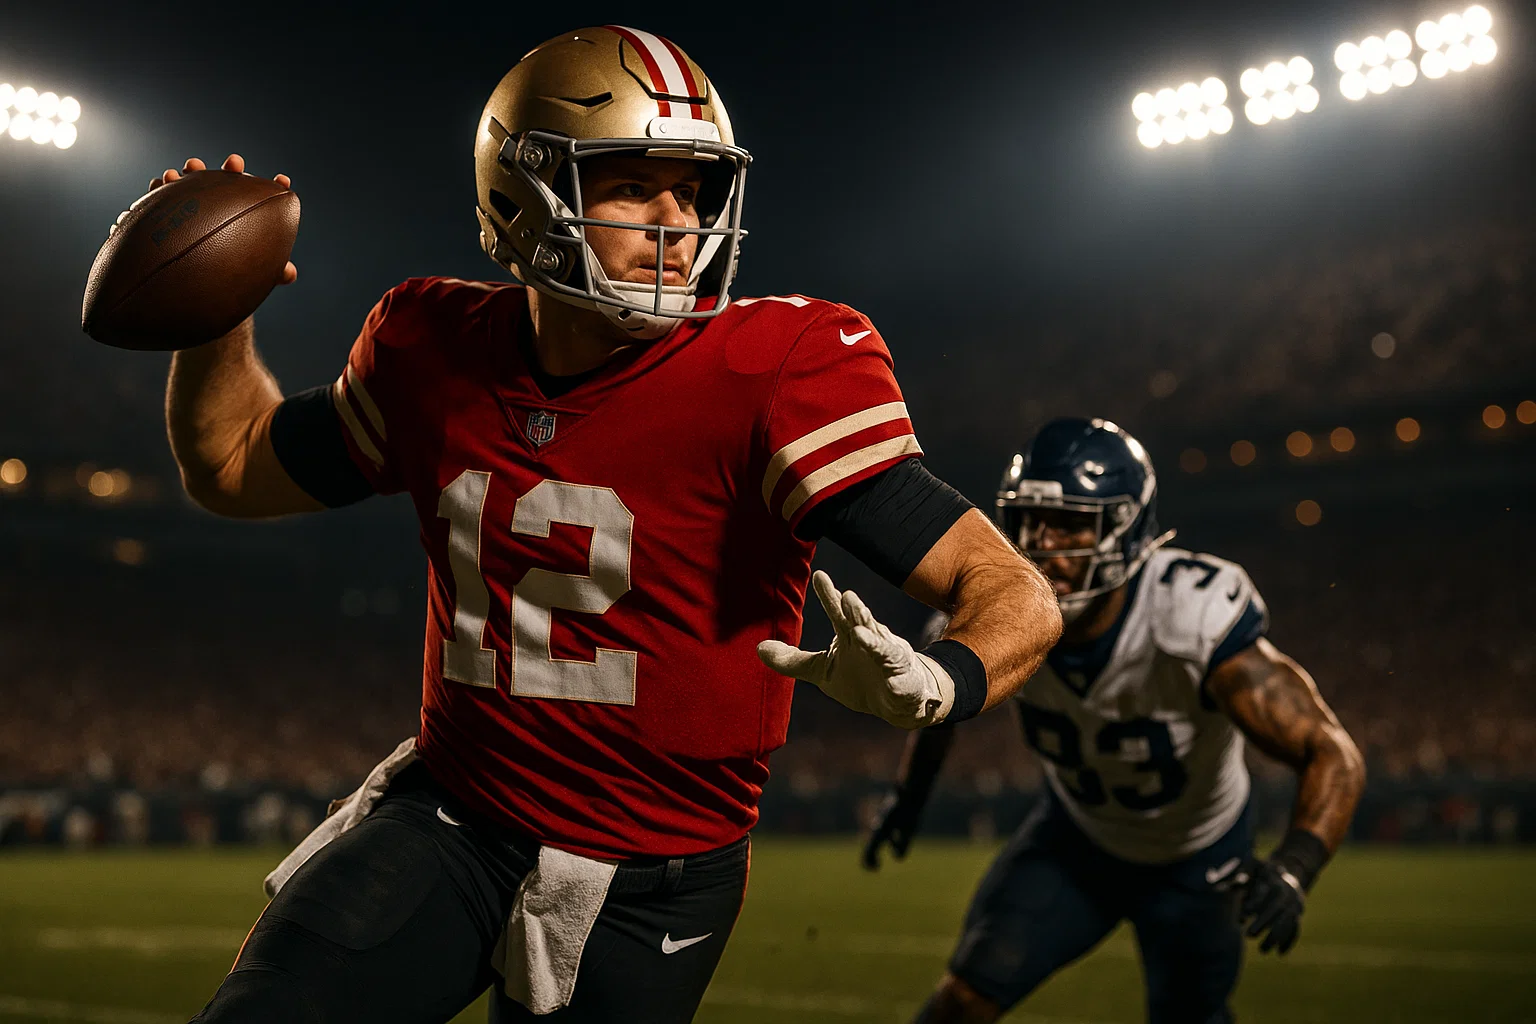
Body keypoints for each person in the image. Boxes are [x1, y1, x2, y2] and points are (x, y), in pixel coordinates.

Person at [140, 25, 1062, 1024]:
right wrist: (211, 316)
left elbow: (1015, 591)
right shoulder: (429, 344)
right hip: (448, 821)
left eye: (695, 188)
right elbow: (233, 466)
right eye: (634, 184)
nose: (680, 220)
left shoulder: (780, 371)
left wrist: (942, 678)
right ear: (521, 196)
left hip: (656, 876)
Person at [864, 418, 1365, 1024]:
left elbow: (1331, 750)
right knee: (962, 1001)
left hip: (1198, 855)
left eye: (1073, 522)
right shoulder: (999, 610)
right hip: (1076, 842)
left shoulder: (1188, 613)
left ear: (1128, 529)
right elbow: (944, 707)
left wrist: (1294, 866)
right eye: (1030, 520)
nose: (1045, 544)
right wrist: (910, 796)